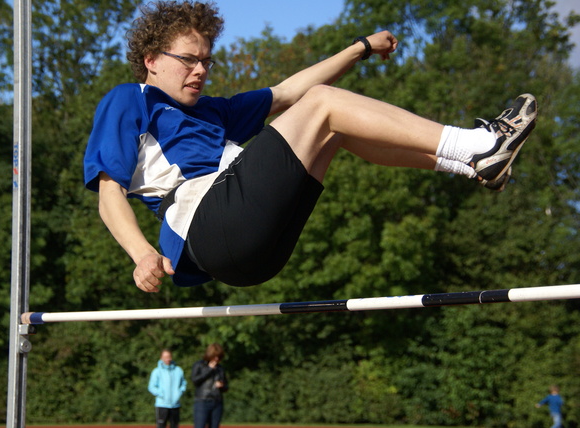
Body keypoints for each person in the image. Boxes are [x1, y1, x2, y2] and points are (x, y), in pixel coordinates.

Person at [83, 1, 538, 291]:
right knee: (323, 107)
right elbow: (109, 193)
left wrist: (358, 48)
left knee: (332, 128)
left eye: (206, 60)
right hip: (207, 227)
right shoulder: (130, 99)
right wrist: (141, 254)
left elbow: (287, 92)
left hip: (255, 256)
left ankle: (472, 165)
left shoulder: (214, 111)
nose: (200, 70)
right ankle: (479, 144)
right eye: (188, 60)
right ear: (151, 60)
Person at [148, 349, 187, 428]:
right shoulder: (156, 371)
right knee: (161, 425)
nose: (167, 359)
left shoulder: (178, 370)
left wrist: (179, 392)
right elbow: (151, 387)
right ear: (161, 358)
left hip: (175, 404)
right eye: (165, 357)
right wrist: (161, 394)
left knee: (174, 425)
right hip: (162, 404)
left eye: (169, 356)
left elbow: (183, 384)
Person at [191, 344, 227, 428]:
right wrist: (209, 369)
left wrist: (222, 386)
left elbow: (226, 386)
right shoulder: (199, 365)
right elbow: (195, 380)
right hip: (202, 401)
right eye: (215, 356)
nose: (217, 359)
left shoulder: (220, 368)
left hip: (217, 401)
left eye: (219, 357)